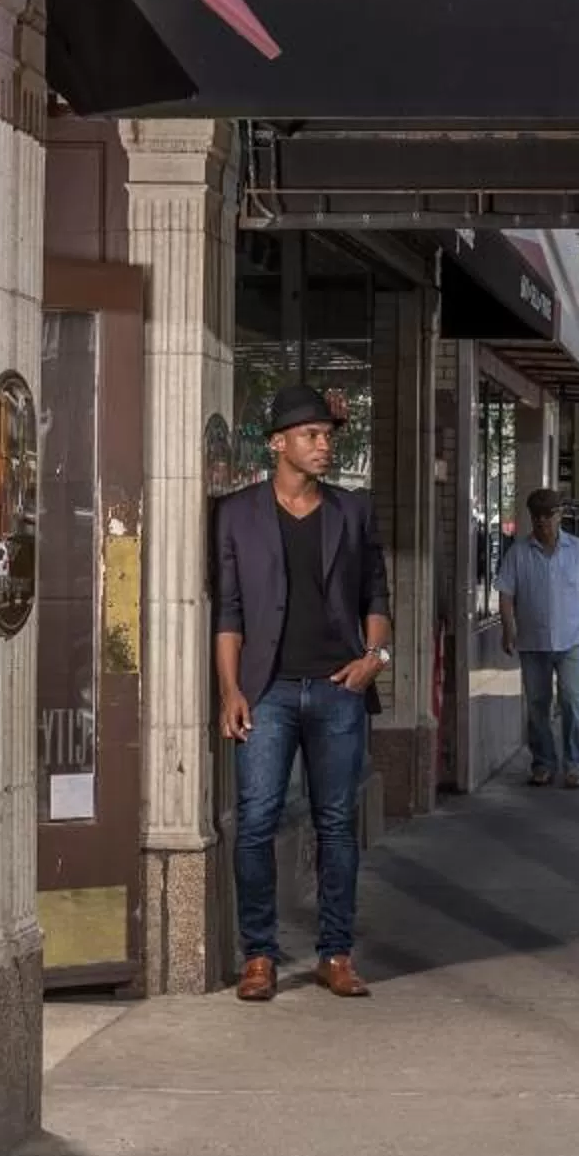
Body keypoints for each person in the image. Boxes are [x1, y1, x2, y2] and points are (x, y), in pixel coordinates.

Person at [215, 383, 393, 1004]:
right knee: (256, 821)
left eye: (327, 435)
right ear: (278, 443)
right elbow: (229, 612)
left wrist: (374, 660)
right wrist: (230, 690)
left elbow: (376, 595)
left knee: (336, 824)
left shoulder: (352, 510)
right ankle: (259, 957)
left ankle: (335, 953)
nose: (324, 445)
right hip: (266, 692)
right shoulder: (236, 514)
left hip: (339, 688)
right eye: (311, 435)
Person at [497, 488, 579, 790]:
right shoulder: (519, 553)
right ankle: (543, 763)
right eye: (537, 516)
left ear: (559, 516)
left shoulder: (578, 550)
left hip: (571, 640)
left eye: (548, 515)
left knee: (573, 700)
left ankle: (573, 764)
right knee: (537, 705)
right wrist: (508, 628)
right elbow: (506, 593)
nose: (542, 522)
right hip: (533, 642)